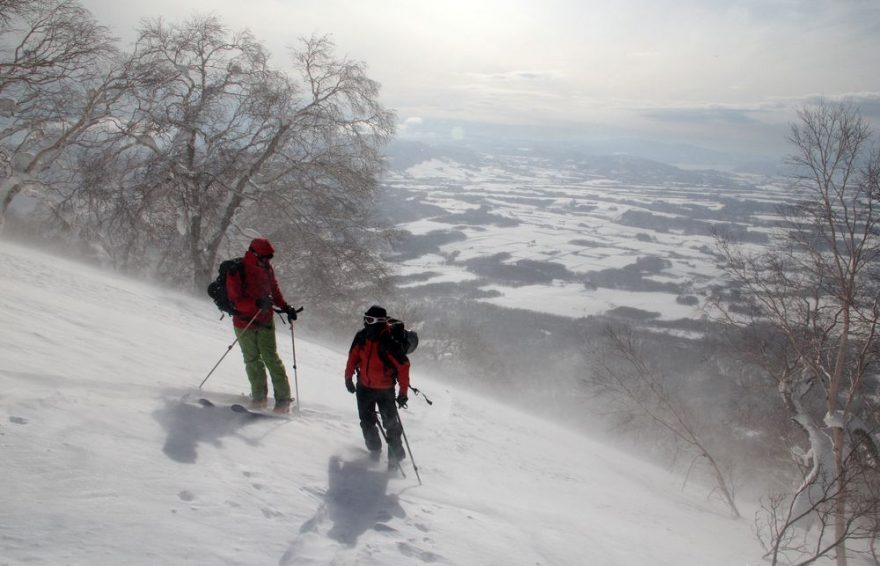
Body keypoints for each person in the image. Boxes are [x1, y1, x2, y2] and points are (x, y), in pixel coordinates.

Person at [226, 237, 299, 413]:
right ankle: (258, 398)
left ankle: (283, 401)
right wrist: (256, 304)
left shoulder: (266, 268)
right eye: (265, 257)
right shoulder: (237, 270)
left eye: (269, 258)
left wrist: (285, 307)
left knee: (271, 359)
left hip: (265, 320)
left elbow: (273, 290)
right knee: (252, 360)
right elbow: (234, 301)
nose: (267, 261)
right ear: (254, 253)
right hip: (244, 322)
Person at [344, 305, 411, 467]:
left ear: (377, 321)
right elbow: (352, 357)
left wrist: (403, 393)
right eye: (365, 319)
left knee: (391, 425)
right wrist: (348, 377)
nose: (365, 323)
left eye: (369, 320)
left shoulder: (389, 342)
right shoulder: (362, 337)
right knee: (366, 421)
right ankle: (374, 450)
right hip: (364, 387)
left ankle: (395, 459)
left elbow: (403, 367)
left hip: (385, 390)